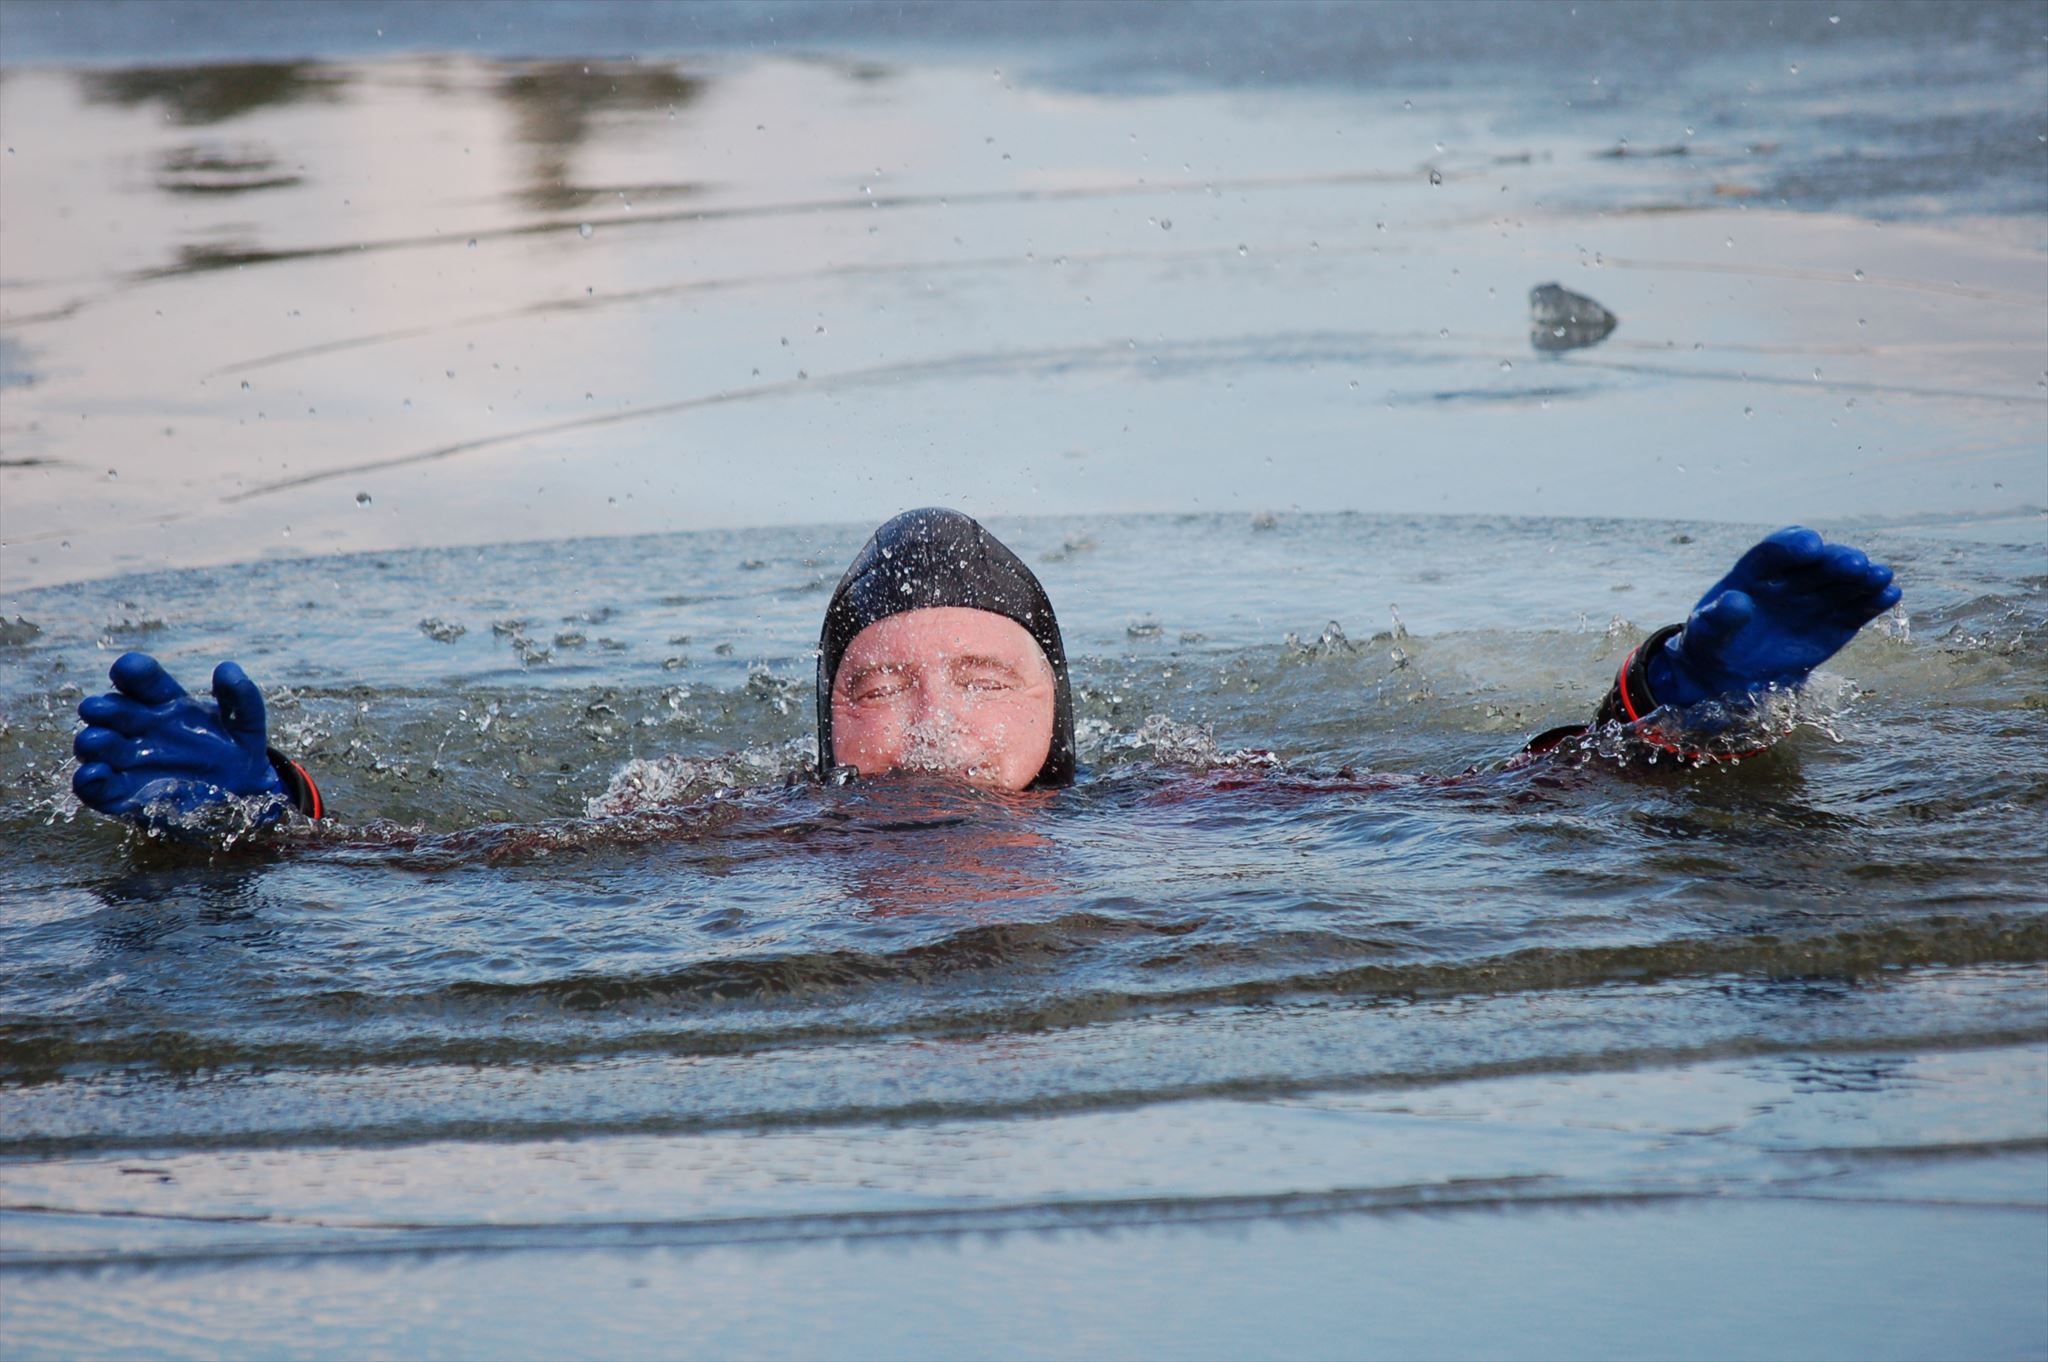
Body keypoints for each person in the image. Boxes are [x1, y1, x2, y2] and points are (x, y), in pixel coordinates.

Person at [69, 508, 1900, 827]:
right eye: (875, 683)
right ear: (821, 721)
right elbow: (486, 878)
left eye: (979, 675)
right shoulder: (715, 826)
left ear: (1061, 719)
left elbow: (1490, 809)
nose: (929, 715)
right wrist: (272, 832)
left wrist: (1672, 707)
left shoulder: (1186, 804)